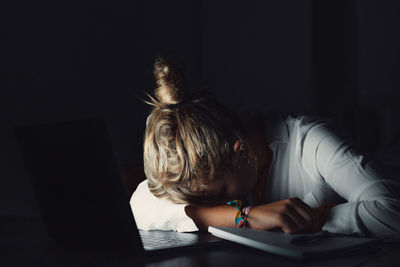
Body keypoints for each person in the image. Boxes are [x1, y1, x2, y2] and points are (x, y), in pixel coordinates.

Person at [130, 57, 400, 241]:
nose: (221, 203)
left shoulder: (312, 141)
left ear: (238, 151)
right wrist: (244, 216)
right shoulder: (221, 176)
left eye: (222, 192)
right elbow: (139, 203)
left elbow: (392, 211)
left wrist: (314, 218)